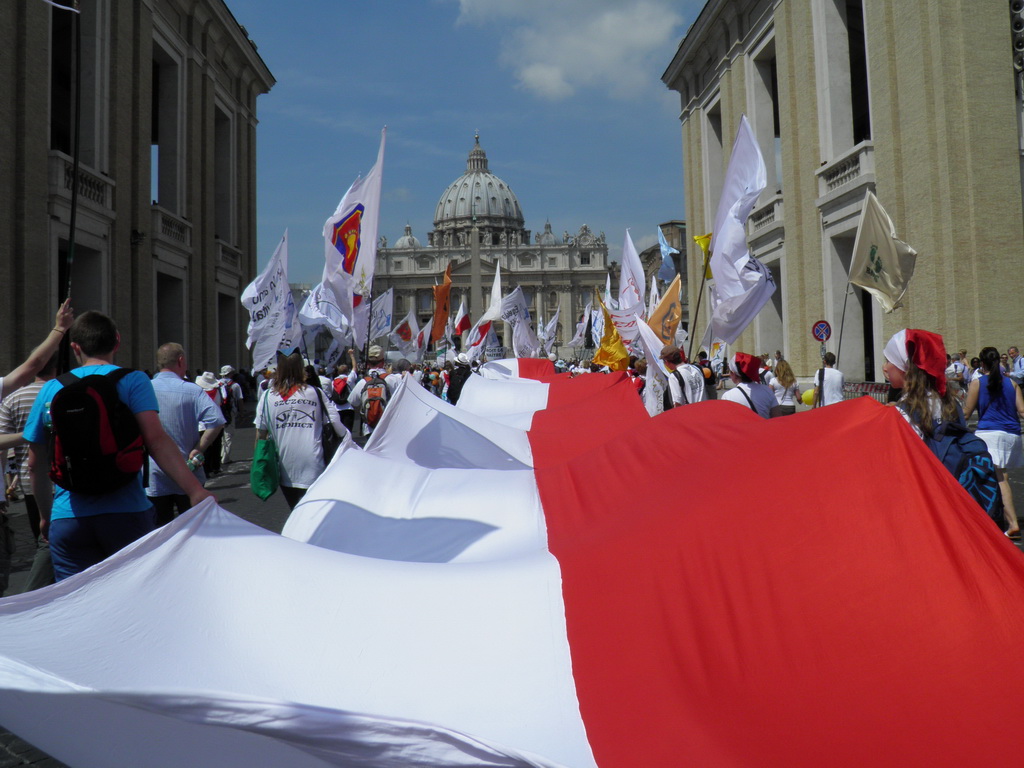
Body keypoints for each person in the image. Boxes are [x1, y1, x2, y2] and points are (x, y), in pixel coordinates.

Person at [25, 311, 213, 581]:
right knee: (133, 598)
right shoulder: (133, 380)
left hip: (69, 515)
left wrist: (45, 516)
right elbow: (157, 441)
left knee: (76, 602)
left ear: (75, 347)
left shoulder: (51, 388)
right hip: (126, 511)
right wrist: (194, 490)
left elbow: (34, 463)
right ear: (117, 342)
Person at [255, 349, 345, 510]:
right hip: (314, 464)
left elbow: (261, 434)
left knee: (295, 510)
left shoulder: (267, 396)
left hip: (284, 467)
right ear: (301, 368)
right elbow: (337, 426)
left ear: (278, 368)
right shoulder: (315, 393)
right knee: (313, 514)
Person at [148, 344, 225, 526]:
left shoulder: (145, 388)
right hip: (187, 471)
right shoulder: (191, 390)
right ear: (181, 361)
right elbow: (217, 420)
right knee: (193, 531)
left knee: (158, 533)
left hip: (153, 475)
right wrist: (199, 448)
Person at [964, 346, 1024, 539]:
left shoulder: (978, 383)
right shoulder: (1012, 384)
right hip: (1012, 435)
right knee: (1000, 476)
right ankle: (996, 516)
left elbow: (966, 413)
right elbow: (1022, 411)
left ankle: (1012, 522)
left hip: (990, 434)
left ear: (981, 364)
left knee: (998, 478)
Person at [722, 353, 783, 418]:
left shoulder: (728, 396)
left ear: (734, 374)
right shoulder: (767, 391)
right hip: (763, 427)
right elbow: (777, 418)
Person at [195, 372, 225, 476]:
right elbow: (221, 403)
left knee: (204, 447)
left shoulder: (199, 393)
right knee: (216, 445)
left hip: (202, 424)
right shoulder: (217, 392)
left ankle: (205, 469)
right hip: (216, 423)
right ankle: (216, 466)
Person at [217, 365, 243, 464]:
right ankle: (225, 457)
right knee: (228, 435)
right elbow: (239, 400)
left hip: (219, 411)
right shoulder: (235, 385)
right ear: (230, 374)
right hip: (230, 412)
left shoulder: (217, 384)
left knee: (220, 435)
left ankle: (219, 455)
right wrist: (241, 412)